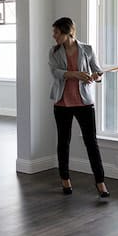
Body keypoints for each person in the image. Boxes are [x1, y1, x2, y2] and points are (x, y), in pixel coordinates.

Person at [48, 17, 110, 198]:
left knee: (91, 143)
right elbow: (55, 72)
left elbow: (97, 72)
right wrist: (75, 74)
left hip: (84, 103)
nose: (54, 36)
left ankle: (100, 182)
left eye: (56, 32)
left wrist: (96, 76)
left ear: (68, 32)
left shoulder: (87, 49)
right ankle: (65, 179)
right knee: (63, 142)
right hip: (62, 103)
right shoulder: (54, 51)